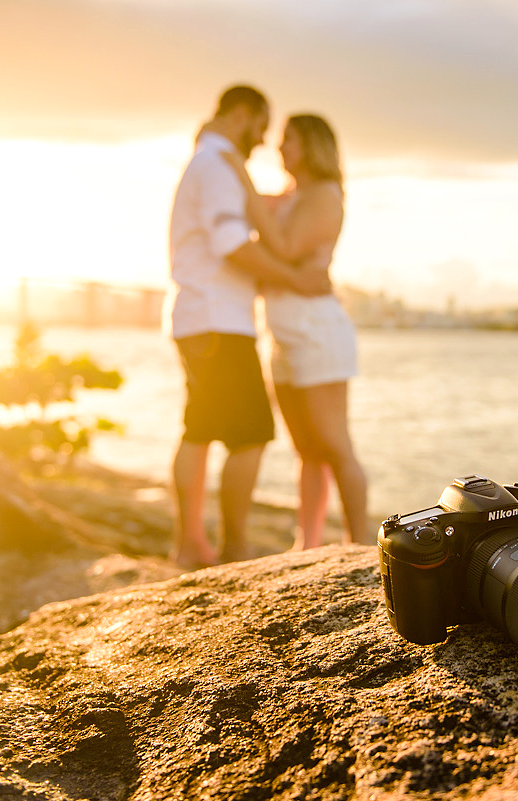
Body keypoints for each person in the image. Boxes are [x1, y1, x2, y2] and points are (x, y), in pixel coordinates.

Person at [166, 86, 330, 568]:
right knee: (251, 432)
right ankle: (233, 547)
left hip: (199, 316)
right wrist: (296, 279)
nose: (262, 141)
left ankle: (190, 543)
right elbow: (231, 241)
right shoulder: (216, 165)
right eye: (261, 127)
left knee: (199, 427)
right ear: (242, 115)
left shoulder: (208, 161)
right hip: (218, 319)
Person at [221, 114, 369, 548]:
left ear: (313, 147)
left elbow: (283, 247)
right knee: (306, 450)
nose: (280, 148)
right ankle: (309, 544)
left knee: (336, 446)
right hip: (283, 333)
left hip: (317, 330)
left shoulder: (324, 196)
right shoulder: (293, 195)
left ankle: (359, 546)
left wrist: (243, 181)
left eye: (290, 140)